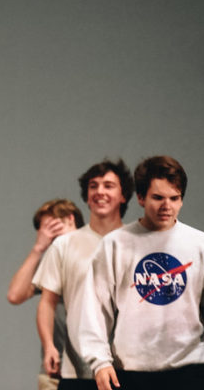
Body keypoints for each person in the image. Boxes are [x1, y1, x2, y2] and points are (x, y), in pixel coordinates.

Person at [73, 156, 204, 390]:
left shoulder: (201, 245)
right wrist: (99, 362)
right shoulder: (115, 245)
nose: (166, 206)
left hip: (191, 370)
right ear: (140, 197)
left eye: (174, 198)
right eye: (158, 197)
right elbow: (94, 309)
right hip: (132, 372)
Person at [32, 161, 134, 389]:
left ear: (123, 195)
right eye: (93, 186)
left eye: (108, 186)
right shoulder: (65, 244)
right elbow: (47, 302)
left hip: (129, 368)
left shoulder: (137, 243)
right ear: (86, 196)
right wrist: (49, 345)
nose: (100, 191)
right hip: (77, 369)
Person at [7, 199, 83, 390]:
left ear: (70, 219)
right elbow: (15, 295)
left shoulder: (97, 251)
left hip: (97, 369)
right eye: (44, 231)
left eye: (52, 227)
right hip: (56, 369)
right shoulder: (52, 262)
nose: (48, 235)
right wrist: (38, 248)